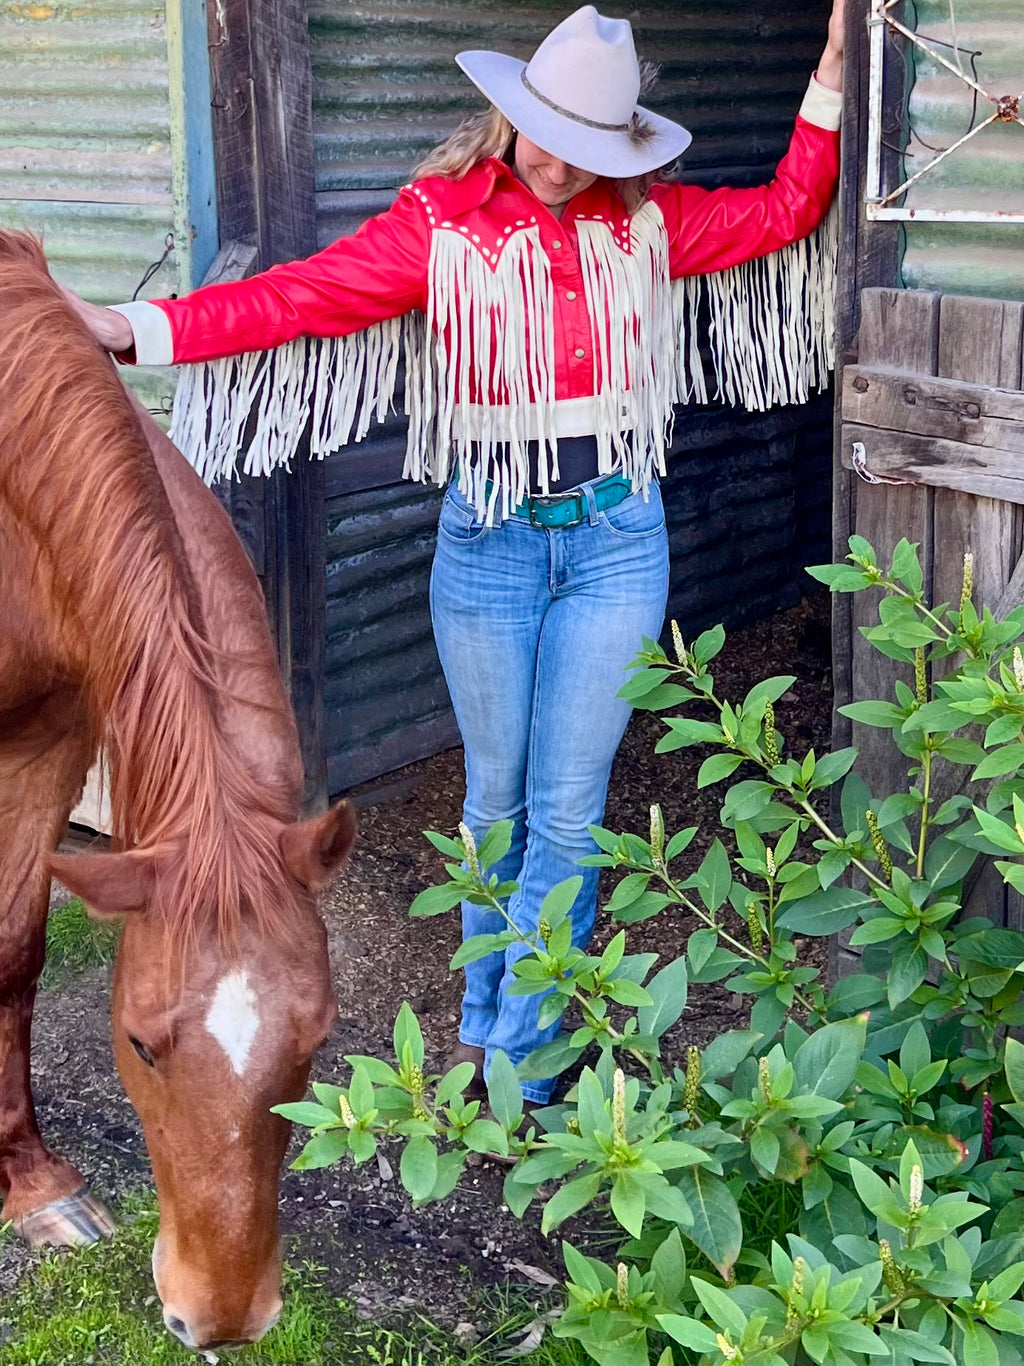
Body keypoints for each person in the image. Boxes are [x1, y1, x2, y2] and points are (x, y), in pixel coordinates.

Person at [71, 5, 845, 1110]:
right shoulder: (441, 227)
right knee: (495, 808)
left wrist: (826, 72)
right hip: (488, 541)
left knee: (570, 812)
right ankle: (487, 1021)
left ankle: (523, 1061)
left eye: (588, 151)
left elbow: (785, 209)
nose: (561, 168)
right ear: (512, 115)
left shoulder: (652, 225)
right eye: (545, 138)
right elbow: (300, 294)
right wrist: (135, 326)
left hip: (618, 540)